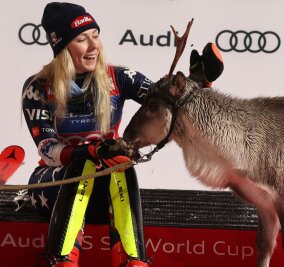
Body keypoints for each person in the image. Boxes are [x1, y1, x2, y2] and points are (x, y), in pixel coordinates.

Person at [22, 2, 224, 267]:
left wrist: (199, 80)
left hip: (105, 189)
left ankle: (133, 261)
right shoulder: (37, 87)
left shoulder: (118, 78)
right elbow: (49, 151)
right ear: (61, 47)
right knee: (83, 165)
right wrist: (91, 151)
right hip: (53, 187)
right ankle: (61, 260)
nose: (94, 46)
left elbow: (165, 102)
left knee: (119, 162)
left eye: (96, 35)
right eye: (82, 39)